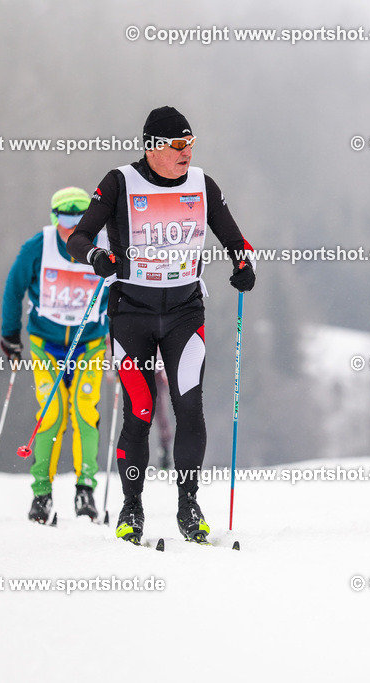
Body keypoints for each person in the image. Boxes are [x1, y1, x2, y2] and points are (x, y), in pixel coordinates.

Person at [67, 106, 256, 544]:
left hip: (185, 313)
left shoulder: (202, 184)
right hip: (131, 313)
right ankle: (132, 508)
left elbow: (233, 236)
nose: (186, 152)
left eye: (190, 143)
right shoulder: (119, 183)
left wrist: (242, 261)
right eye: (177, 145)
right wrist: (96, 257)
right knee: (141, 409)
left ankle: (188, 504)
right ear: (152, 147)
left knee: (189, 408)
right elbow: (78, 237)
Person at [1, 187, 110, 523]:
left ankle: (85, 490)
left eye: (80, 216)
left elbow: (123, 291)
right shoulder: (40, 246)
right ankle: (42, 494)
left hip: (89, 344)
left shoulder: (104, 247)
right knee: (52, 413)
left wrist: (124, 339)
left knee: (84, 409)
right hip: (46, 345)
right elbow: (14, 286)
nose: (72, 224)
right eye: (65, 216)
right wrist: (10, 334)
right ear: (54, 217)